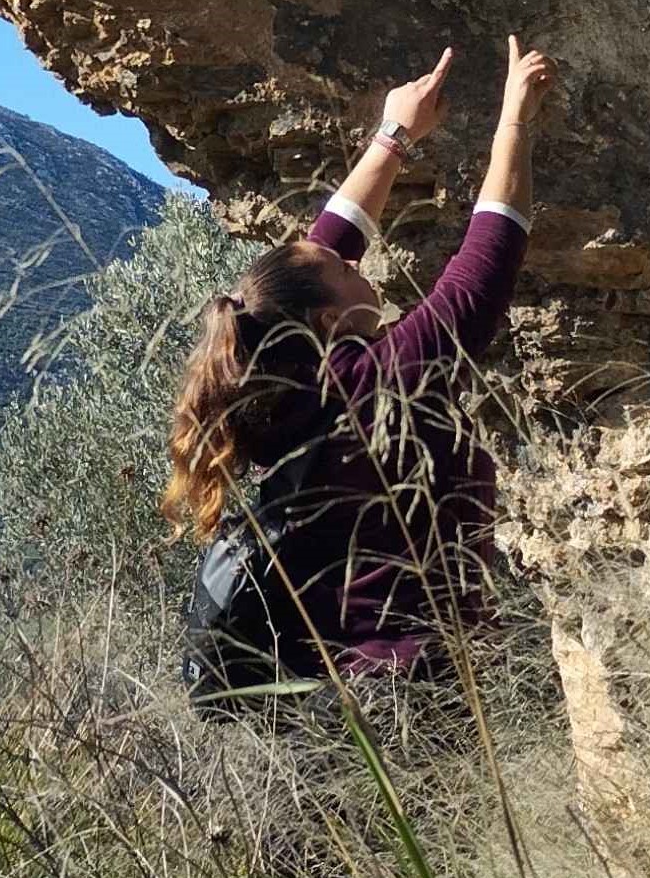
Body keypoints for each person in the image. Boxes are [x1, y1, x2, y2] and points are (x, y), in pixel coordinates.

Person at [162, 36, 558, 679]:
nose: (355, 262)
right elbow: (482, 270)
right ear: (328, 319)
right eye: (344, 270)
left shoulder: (280, 387)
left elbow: (321, 250)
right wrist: (515, 119)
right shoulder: (374, 383)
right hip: (412, 692)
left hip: (337, 695)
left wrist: (394, 134)